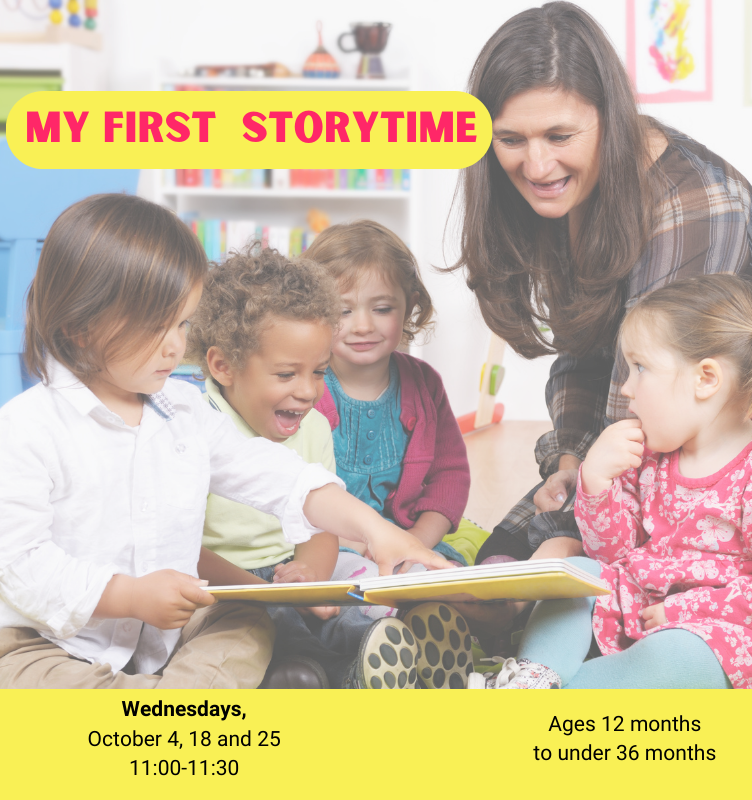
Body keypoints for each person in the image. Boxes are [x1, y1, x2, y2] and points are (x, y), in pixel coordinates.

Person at [0, 194, 448, 690]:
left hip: (164, 634)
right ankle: (179, 707)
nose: (176, 344)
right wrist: (126, 596)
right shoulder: (26, 428)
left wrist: (373, 528)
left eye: (183, 323)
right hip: (47, 642)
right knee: (23, 679)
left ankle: (158, 711)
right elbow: (20, 564)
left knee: (247, 619)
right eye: (157, 326)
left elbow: (277, 476)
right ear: (79, 328)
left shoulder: (184, 410)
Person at [452, 2, 752, 571]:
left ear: (610, 118)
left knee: (528, 569)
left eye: (560, 135)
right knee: (499, 563)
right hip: (649, 442)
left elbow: (644, 413)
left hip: (746, 469)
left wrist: (560, 528)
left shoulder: (693, 206)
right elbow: (584, 355)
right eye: (510, 139)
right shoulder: (573, 192)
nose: (536, 166)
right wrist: (567, 463)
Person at [471, 274, 752, 689]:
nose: (625, 387)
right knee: (580, 572)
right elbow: (613, 553)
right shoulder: (648, 459)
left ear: (706, 379)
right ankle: (533, 677)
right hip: (641, 605)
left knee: (681, 651)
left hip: (724, 635)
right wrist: (595, 483)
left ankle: (563, 699)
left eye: (640, 367)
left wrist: (685, 612)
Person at [186, 245, 453, 690]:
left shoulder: (312, 426)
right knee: (256, 626)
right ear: (223, 366)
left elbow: (320, 528)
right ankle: (334, 670)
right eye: (287, 375)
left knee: (355, 591)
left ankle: (387, 645)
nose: (309, 392)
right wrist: (268, 594)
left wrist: (310, 574)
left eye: (319, 372)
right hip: (219, 583)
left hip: (294, 570)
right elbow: (182, 549)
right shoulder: (191, 429)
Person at [305, 220, 480, 689]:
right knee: (351, 593)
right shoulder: (308, 387)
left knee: (462, 587)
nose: (363, 325)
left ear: (409, 309)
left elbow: (449, 476)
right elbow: (294, 486)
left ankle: (430, 646)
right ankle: (377, 650)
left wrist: (420, 543)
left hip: (406, 542)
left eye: (382, 308)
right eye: (342, 311)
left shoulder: (422, 383)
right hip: (332, 546)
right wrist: (361, 544)